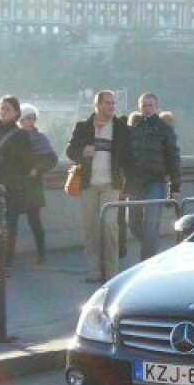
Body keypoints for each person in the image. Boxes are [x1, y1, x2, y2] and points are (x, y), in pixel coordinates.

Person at [65, 90, 130, 282]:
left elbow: (128, 157)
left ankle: (111, 271)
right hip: (89, 184)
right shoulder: (83, 127)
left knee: (110, 224)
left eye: (113, 103)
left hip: (111, 184)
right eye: (108, 103)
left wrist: (130, 182)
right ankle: (94, 270)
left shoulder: (120, 127)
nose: (112, 106)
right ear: (98, 105)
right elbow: (70, 151)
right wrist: (83, 151)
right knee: (91, 227)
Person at [0, 95, 35, 273]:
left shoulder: (20, 135)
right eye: (1, 108)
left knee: (9, 226)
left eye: (7, 109)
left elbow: (28, 162)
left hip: (12, 189)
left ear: (16, 113)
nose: (3, 112)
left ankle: (6, 263)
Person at [126, 91, 181, 261]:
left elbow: (173, 158)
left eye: (150, 105)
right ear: (139, 107)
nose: (147, 108)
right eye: (144, 105)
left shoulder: (164, 130)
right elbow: (127, 156)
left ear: (157, 108)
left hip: (155, 182)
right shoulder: (133, 129)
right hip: (135, 182)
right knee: (133, 223)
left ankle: (147, 261)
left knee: (151, 225)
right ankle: (153, 250)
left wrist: (175, 186)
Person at [15, 103, 59, 265]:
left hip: (33, 185)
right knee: (11, 221)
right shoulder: (13, 137)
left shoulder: (40, 138)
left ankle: (41, 254)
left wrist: (37, 168)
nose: (31, 121)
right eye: (28, 118)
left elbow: (51, 159)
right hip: (15, 185)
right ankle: (7, 256)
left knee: (35, 221)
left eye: (33, 118)